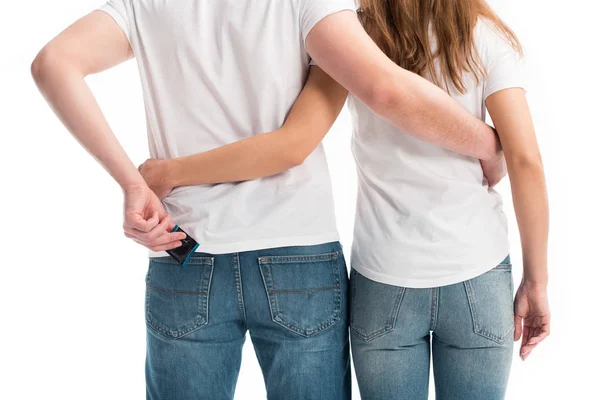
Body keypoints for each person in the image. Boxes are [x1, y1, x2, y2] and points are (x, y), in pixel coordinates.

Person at [31, 1, 505, 399]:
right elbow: (381, 90)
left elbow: (53, 63)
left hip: (187, 251)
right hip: (298, 256)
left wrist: (136, 183)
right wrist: (491, 144)